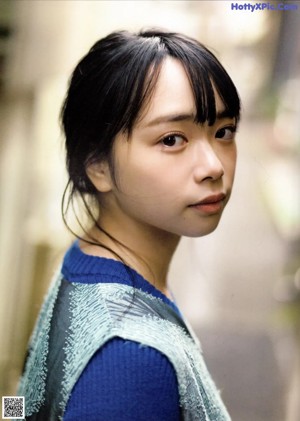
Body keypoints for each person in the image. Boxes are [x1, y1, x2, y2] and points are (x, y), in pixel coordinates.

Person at [17, 28, 240, 420]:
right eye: (172, 139)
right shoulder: (130, 359)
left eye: (223, 132)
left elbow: (18, 406)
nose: (213, 166)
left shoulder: (85, 258)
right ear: (97, 165)